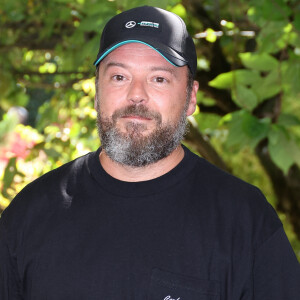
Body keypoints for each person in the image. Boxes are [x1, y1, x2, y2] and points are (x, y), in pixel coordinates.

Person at [0, 5, 299, 300]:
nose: (136, 95)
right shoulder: (31, 212)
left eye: (159, 78)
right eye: (119, 77)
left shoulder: (244, 220)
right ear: (96, 91)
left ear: (191, 97)